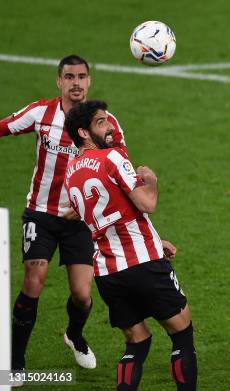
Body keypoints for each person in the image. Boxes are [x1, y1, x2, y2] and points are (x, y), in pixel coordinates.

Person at [0, 55, 127, 371]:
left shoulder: (104, 123)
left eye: (82, 76)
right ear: (59, 81)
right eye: (69, 77)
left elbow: (121, 166)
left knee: (82, 296)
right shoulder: (41, 113)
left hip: (80, 222)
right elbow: (3, 126)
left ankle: (74, 333)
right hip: (41, 214)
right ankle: (15, 361)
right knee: (35, 279)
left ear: (89, 81)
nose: (76, 83)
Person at [63, 100, 197, 390]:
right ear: (84, 133)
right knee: (181, 333)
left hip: (108, 272)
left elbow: (106, 215)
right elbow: (147, 203)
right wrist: (151, 180)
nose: (109, 126)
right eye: (101, 122)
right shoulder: (111, 158)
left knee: (137, 342)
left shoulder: (70, 173)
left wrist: (155, 239)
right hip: (143, 263)